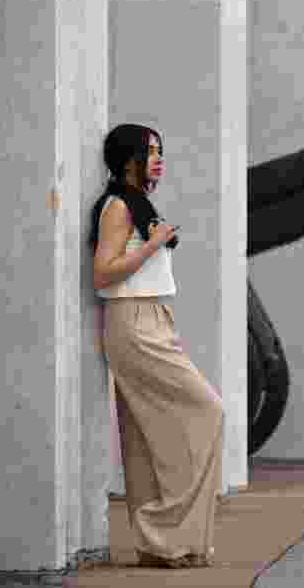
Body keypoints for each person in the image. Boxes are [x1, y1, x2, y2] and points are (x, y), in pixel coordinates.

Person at [90, 123, 224, 569]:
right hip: (134, 320)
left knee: (147, 438)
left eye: (161, 150)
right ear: (129, 159)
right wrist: (152, 245)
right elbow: (103, 273)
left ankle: (160, 544)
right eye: (151, 152)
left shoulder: (135, 203)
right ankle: (168, 532)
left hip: (150, 319)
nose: (159, 159)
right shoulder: (117, 208)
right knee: (207, 412)